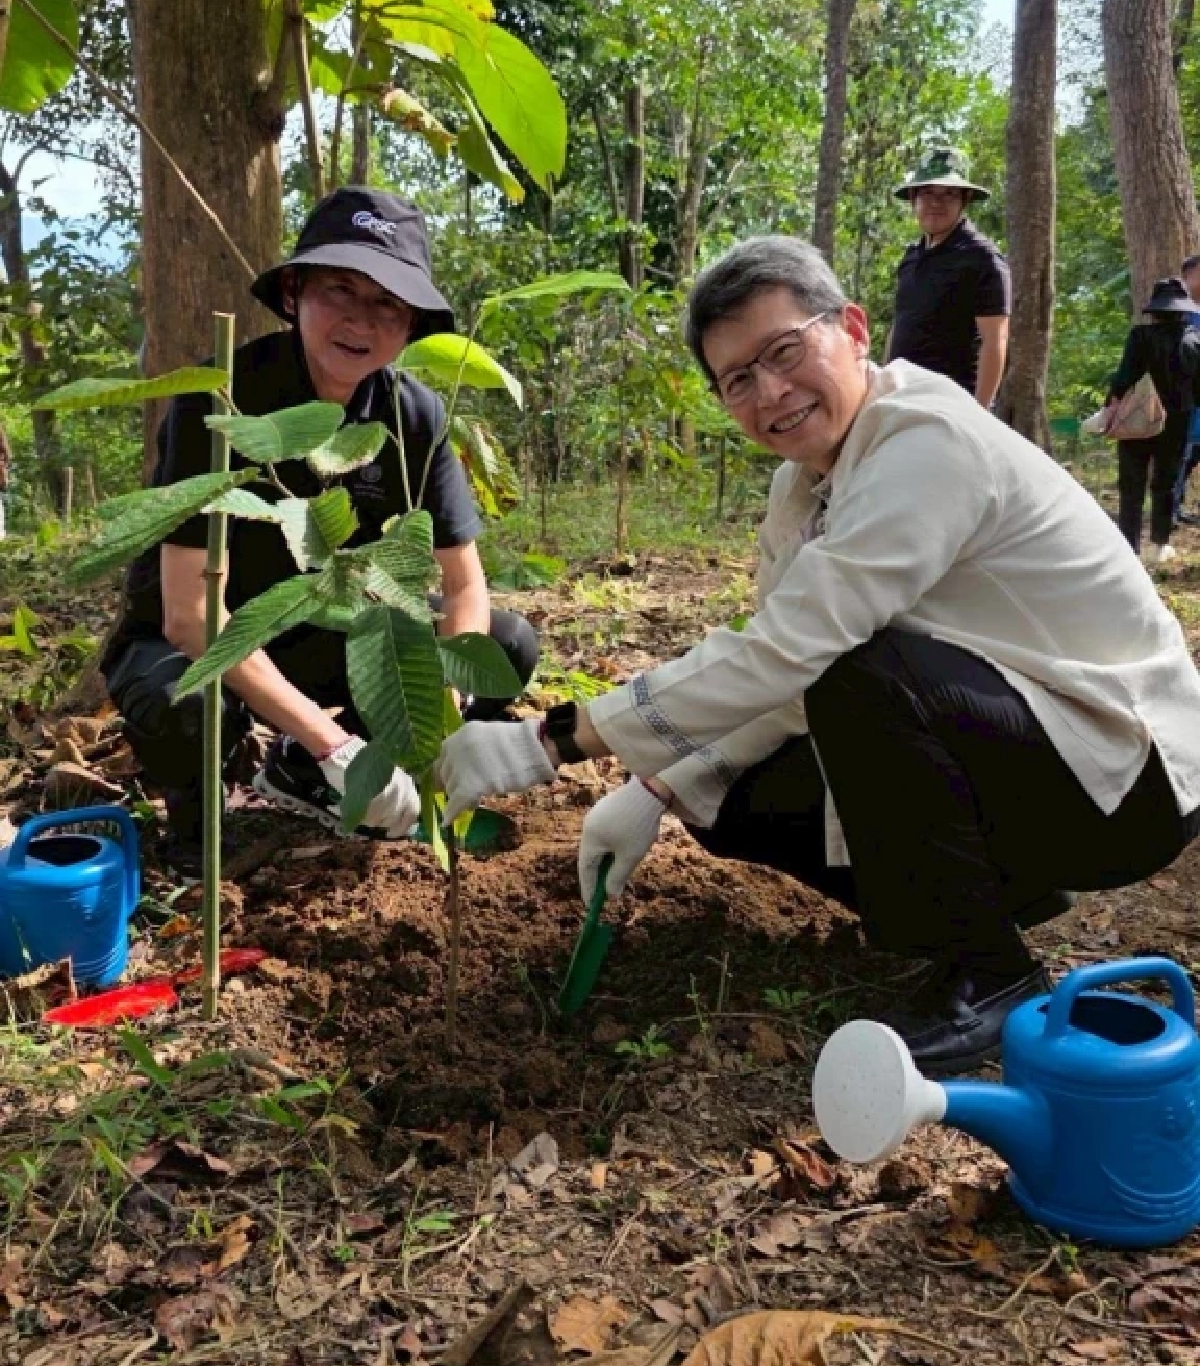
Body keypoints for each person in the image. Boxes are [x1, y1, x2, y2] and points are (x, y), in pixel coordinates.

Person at [435, 237, 1200, 1072]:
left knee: (856, 671)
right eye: (738, 379)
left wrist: (549, 741)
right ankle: (990, 899)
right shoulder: (802, 487)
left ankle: (991, 973)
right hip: (1028, 745)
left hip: (1129, 777)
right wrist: (658, 786)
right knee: (730, 798)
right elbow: (783, 678)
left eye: (784, 351)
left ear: (855, 329)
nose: (770, 392)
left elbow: (791, 651)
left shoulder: (927, 440)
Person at [102, 188, 538, 864]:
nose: (361, 320)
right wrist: (333, 742)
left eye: (388, 303)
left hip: (325, 625)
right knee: (188, 703)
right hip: (199, 637)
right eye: (341, 290)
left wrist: (440, 710)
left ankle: (304, 775)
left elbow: (464, 586)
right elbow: (191, 616)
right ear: (295, 292)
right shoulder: (223, 404)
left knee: (503, 645)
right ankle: (199, 832)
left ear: (410, 323)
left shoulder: (412, 416)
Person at [887, 145, 1010, 407]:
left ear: (965, 200)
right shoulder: (912, 256)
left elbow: (995, 339)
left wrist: (979, 411)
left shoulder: (981, 257)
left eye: (949, 194)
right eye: (927, 193)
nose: (936, 203)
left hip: (953, 403)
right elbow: (900, 324)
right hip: (904, 397)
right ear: (913, 199)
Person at [1105, 276, 1200, 569]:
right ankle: (1160, 544)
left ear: (1155, 310)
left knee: (1131, 483)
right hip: (1178, 421)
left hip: (1137, 419)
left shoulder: (1140, 337)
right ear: (1183, 310)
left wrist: (1111, 404)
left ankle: (1129, 546)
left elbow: (1124, 378)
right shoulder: (1195, 340)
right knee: (1167, 483)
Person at [1172, 253, 1200, 525]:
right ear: (1187, 277)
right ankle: (1171, 507)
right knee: (1184, 453)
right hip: (1185, 395)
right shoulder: (1178, 312)